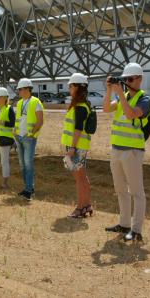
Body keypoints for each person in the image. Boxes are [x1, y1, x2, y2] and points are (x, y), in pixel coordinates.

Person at [102, 63, 150, 243]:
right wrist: (109, 90)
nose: (127, 82)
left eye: (130, 79)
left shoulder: (144, 99)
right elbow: (106, 108)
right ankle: (124, 224)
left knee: (137, 192)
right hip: (116, 150)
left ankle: (136, 230)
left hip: (132, 152)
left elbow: (131, 114)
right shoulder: (123, 98)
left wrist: (120, 93)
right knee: (120, 189)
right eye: (125, 79)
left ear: (139, 79)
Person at [61, 73, 93, 218]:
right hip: (79, 146)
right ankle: (87, 205)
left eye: (71, 85)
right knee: (82, 177)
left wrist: (72, 148)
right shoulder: (82, 105)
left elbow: (78, 128)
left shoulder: (80, 106)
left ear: (78, 88)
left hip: (77, 147)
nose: (69, 88)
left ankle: (80, 207)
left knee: (79, 178)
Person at [14, 78, 44, 201]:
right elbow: (19, 120)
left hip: (28, 138)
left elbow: (40, 121)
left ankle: (29, 189)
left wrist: (31, 134)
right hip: (19, 137)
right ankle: (27, 188)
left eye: (20, 89)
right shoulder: (20, 103)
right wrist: (15, 133)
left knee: (28, 164)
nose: (19, 91)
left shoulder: (36, 102)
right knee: (22, 164)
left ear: (27, 89)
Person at [0, 87, 16, 189]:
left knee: (4, 161)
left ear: (5, 98)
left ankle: (5, 183)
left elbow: (13, 123)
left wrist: (2, 122)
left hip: (4, 139)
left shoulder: (9, 109)